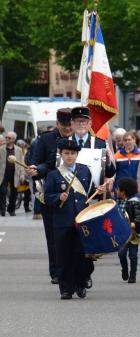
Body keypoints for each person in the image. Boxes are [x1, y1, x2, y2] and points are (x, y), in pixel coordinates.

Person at [44, 139, 104, 300]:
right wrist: (58, 196)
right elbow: (46, 197)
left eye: (72, 153)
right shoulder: (53, 175)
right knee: (63, 256)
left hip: (82, 220)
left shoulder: (85, 171)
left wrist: (99, 190)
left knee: (82, 255)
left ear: (77, 154)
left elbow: (91, 192)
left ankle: (81, 282)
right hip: (62, 221)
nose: (69, 156)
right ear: (61, 155)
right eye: (66, 153)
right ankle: (66, 289)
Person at [69, 106, 116, 289]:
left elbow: (110, 171)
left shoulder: (100, 144)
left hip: (93, 198)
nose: (81, 124)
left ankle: (85, 273)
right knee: (73, 241)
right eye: (77, 121)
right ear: (71, 124)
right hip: (71, 198)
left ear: (89, 124)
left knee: (88, 241)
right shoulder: (64, 143)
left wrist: (110, 166)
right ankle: (76, 278)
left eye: (84, 121)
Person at [26, 108, 73, 284]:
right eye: (64, 125)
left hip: (74, 195)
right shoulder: (45, 140)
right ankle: (56, 271)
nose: (68, 128)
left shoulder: (78, 138)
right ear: (57, 123)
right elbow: (38, 163)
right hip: (51, 194)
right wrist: (35, 169)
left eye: (70, 125)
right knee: (54, 237)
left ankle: (77, 271)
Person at [116, 177, 140, 284]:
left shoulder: (135, 202)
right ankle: (124, 269)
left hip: (133, 234)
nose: (116, 191)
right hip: (122, 233)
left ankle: (133, 275)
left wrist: (135, 223)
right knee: (121, 254)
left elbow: (139, 216)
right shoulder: (118, 201)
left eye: (118, 189)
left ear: (124, 192)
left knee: (133, 255)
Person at [0, 132, 24, 216]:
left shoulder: (18, 150)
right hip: (3, 174)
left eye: (9, 138)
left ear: (14, 139)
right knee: (2, 192)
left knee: (14, 193)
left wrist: (22, 174)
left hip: (15, 173)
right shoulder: (1, 148)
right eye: (6, 137)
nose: (6, 139)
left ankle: (11, 209)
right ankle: (2, 210)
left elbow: (21, 162)